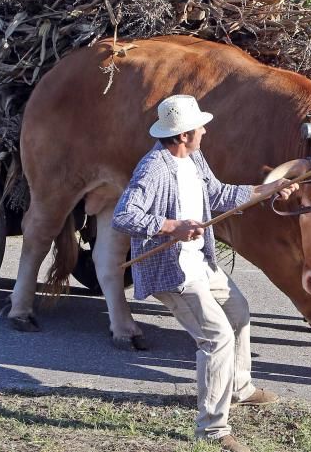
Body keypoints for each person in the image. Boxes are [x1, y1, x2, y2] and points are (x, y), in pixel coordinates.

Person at [112, 94, 296, 452]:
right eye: (199, 127)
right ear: (183, 135)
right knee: (217, 338)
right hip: (173, 270)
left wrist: (268, 190)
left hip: (200, 260)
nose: (205, 130)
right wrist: (171, 226)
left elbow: (219, 194)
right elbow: (124, 216)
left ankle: (239, 387)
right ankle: (211, 428)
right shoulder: (154, 168)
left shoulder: (194, 157)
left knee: (239, 311)